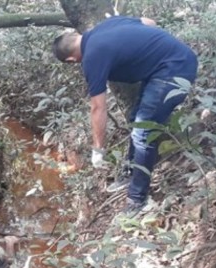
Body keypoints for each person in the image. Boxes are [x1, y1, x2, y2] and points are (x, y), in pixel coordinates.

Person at [52, 15, 198, 214]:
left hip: (174, 70)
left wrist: (98, 150)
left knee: (144, 133)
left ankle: (138, 200)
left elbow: (98, 108)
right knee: (135, 121)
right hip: (170, 64)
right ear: (76, 36)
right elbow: (150, 22)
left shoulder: (92, 57)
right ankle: (130, 172)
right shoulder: (105, 26)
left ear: (71, 59)